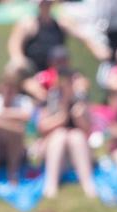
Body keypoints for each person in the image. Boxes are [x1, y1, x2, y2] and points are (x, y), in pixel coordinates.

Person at [36, 67, 96, 198]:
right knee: (60, 135)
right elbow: (42, 127)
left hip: (77, 150)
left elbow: (88, 131)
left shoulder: (80, 100)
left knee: (76, 135)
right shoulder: (50, 100)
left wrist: (79, 117)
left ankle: (88, 183)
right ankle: (51, 185)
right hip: (53, 148)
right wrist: (62, 114)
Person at [7, 0, 109, 72]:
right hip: (34, 73)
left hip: (57, 73)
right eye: (43, 2)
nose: (46, 4)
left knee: (78, 81)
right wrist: (18, 59)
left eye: (48, 2)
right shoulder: (28, 24)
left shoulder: (61, 23)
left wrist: (96, 48)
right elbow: (14, 43)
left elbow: (82, 35)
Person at [0, 62, 33, 185]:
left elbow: (26, 117)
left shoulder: (23, 101)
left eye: (12, 86)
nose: (8, 90)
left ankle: (13, 173)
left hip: (16, 149)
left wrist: (3, 115)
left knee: (16, 131)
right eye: (6, 85)